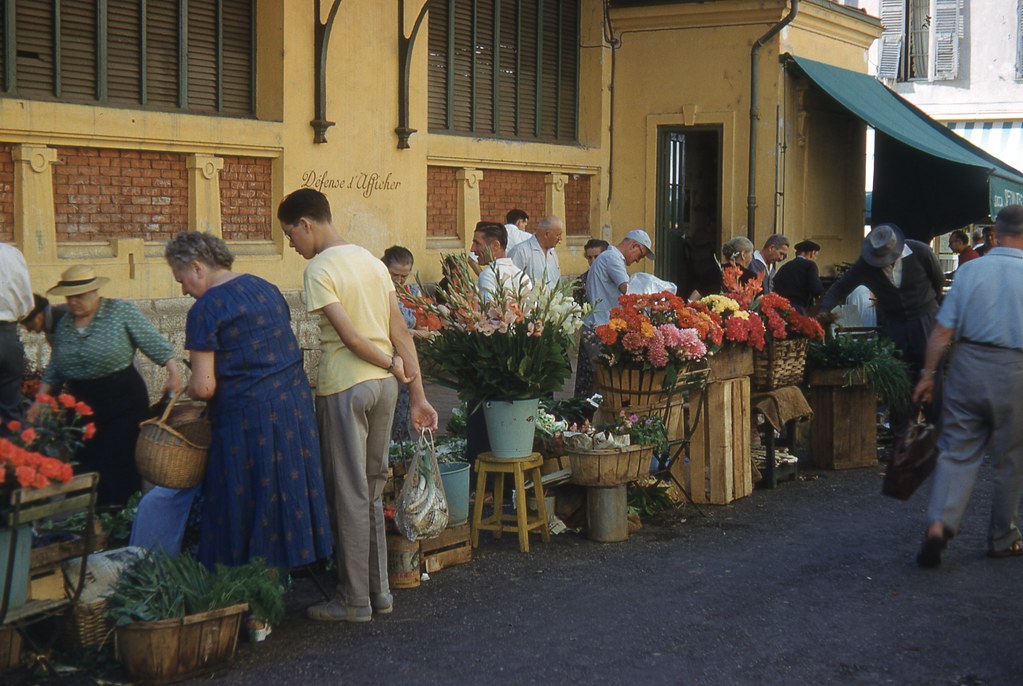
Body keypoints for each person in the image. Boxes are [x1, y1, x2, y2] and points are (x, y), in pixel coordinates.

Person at [277, 188, 438, 623]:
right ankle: (379, 592)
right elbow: (401, 332)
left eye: (291, 235)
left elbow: (349, 338)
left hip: (346, 386)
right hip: (385, 388)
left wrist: (390, 364)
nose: (292, 245)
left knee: (349, 495)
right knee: (369, 489)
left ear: (306, 224)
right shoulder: (370, 261)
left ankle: (353, 601)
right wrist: (417, 392)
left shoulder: (319, 269)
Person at [158, 231, 333, 570]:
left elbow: (205, 387)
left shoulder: (205, 308)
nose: (183, 289)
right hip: (293, 409)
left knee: (244, 498)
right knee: (285, 490)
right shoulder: (265, 287)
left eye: (182, 280)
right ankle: (288, 569)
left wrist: (186, 390)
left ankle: (247, 583)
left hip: (246, 420)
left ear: (197, 267)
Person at [912, 204, 1023, 567]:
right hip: (1016, 370)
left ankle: (939, 524)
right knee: (1010, 458)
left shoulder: (971, 270)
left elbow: (942, 330)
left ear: (996, 232)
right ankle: (1002, 536)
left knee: (957, 449)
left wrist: (928, 376)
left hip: (968, 363)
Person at [29, 265, 182, 506]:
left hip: (122, 400)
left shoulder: (119, 311)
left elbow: (152, 341)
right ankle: (88, 521)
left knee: (120, 464)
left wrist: (173, 372)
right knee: (86, 462)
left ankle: (120, 520)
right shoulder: (66, 324)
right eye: (70, 297)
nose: (74, 302)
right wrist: (40, 400)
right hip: (83, 404)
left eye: (79, 296)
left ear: (94, 293)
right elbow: (56, 366)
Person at [819, 224, 944, 431]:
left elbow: (938, 282)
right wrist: (824, 310)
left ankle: (937, 436)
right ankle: (903, 438)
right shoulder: (867, 264)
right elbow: (840, 287)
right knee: (899, 383)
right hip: (895, 325)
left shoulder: (921, 252)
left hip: (926, 321)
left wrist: (932, 312)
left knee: (932, 379)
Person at [577, 229, 654, 394]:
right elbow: (628, 290)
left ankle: (591, 416)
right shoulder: (612, 258)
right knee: (603, 381)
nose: (637, 261)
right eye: (640, 256)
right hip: (600, 327)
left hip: (597, 325)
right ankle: (591, 417)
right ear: (634, 246)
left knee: (602, 380)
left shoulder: (609, 257)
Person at [382, 245, 430, 443]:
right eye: (395, 275)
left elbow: (427, 330)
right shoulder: (379, 290)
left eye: (404, 276)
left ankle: (400, 453)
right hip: (385, 359)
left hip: (408, 359)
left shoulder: (413, 293)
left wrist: (407, 333)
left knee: (404, 410)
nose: (399, 281)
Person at [0, 242, 33, 423]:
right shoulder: (12, 254)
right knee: (10, 412)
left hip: (9, 332)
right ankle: (10, 449)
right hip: (9, 335)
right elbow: (26, 302)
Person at [573, 239, 609, 397]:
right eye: (589, 257)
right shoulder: (581, 282)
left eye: (597, 257)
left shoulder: (615, 278)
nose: (593, 261)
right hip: (589, 336)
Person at [471, 221, 532, 303]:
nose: (473, 249)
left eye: (477, 243)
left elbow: (489, 310)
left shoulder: (488, 275)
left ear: (496, 245)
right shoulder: (523, 276)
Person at [509, 215, 563, 291]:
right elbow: (511, 284)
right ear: (547, 234)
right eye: (558, 235)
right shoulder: (521, 251)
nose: (560, 239)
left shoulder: (553, 253)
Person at [772, 240, 824, 314]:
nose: (815, 258)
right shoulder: (810, 265)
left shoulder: (785, 266)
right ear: (812, 253)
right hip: (798, 308)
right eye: (815, 255)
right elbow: (816, 289)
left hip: (781, 308)